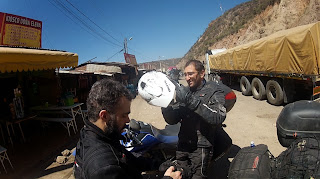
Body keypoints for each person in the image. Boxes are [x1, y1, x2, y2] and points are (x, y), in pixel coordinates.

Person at [74, 78, 182, 179]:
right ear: (104, 116)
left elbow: (128, 160)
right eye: (123, 115)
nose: (128, 120)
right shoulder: (104, 168)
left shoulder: (92, 133)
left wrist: (159, 165)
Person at [161, 60, 227, 179]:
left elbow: (218, 117)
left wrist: (191, 101)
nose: (187, 78)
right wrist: (165, 104)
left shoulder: (213, 90)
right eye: (185, 74)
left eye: (190, 74)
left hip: (200, 148)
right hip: (183, 144)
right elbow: (172, 120)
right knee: (180, 174)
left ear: (202, 73)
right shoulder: (186, 92)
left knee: (198, 176)